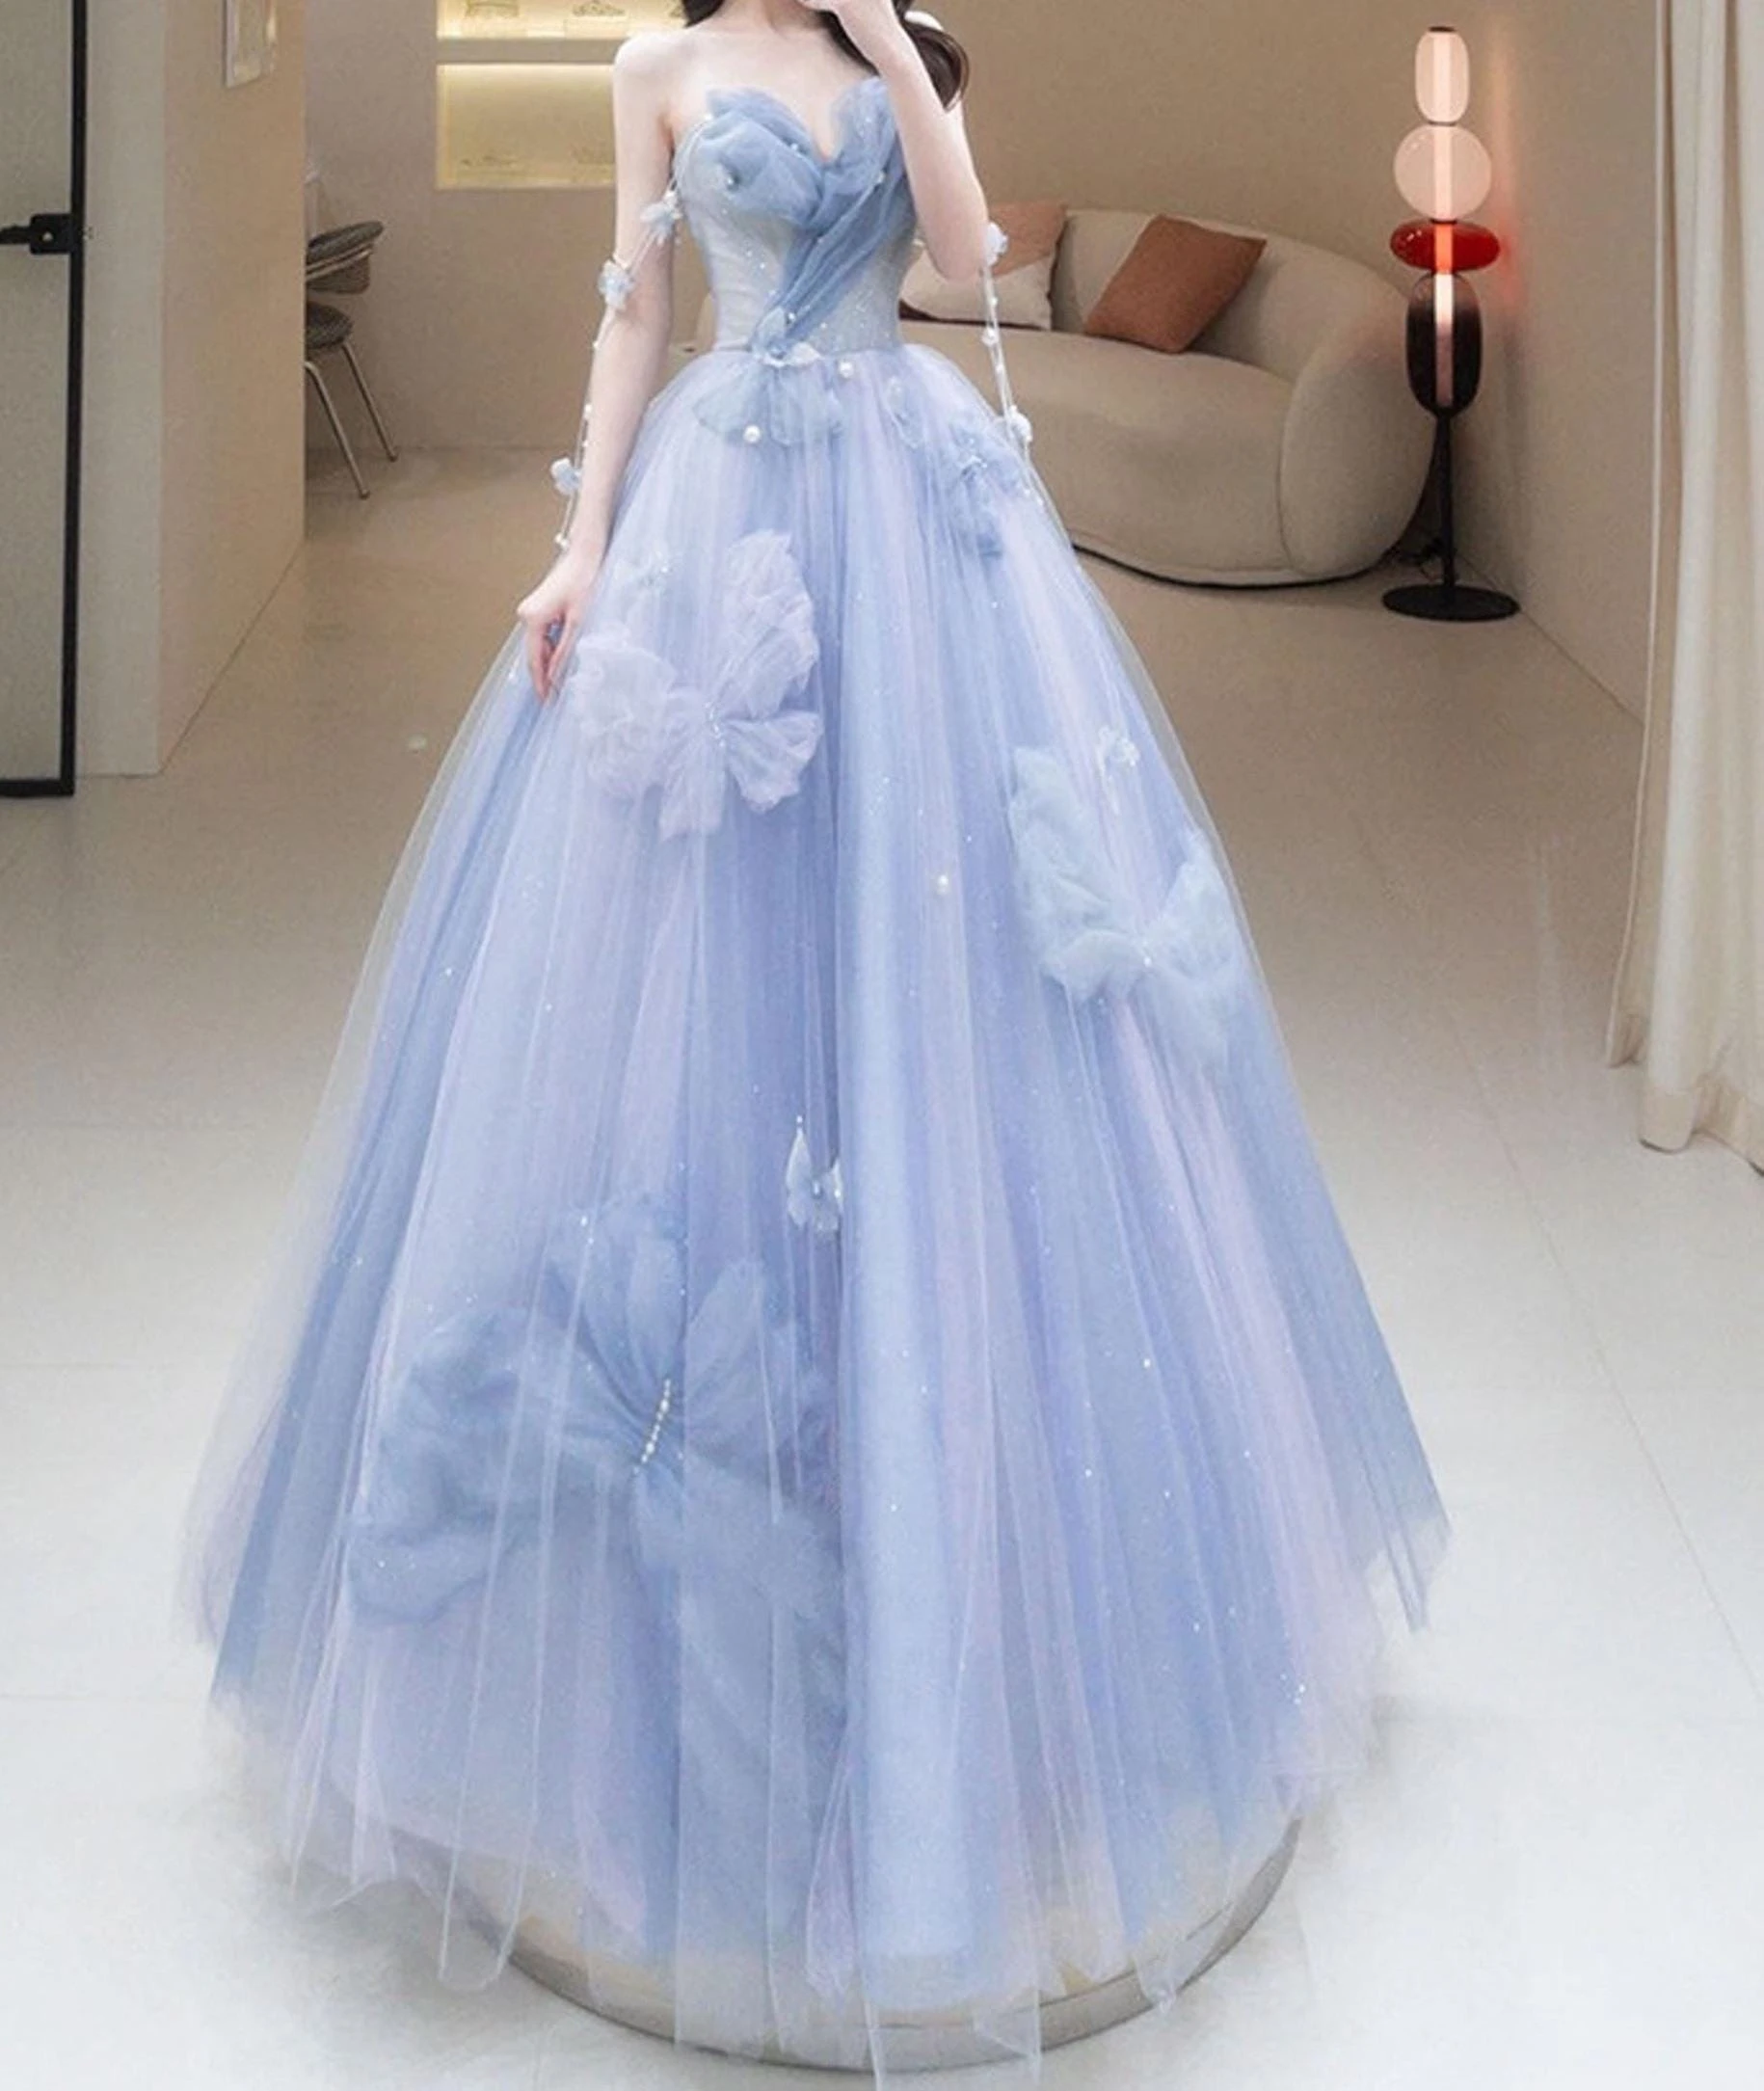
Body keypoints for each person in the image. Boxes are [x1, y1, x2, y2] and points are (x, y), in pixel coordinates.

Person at [179, 1, 1449, 2078]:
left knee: (941, 970)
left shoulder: (908, 59)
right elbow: (633, 309)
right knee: (692, 974)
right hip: (718, 526)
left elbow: (955, 257)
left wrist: (885, 36)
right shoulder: (650, 73)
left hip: (907, 511)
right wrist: (580, 545)